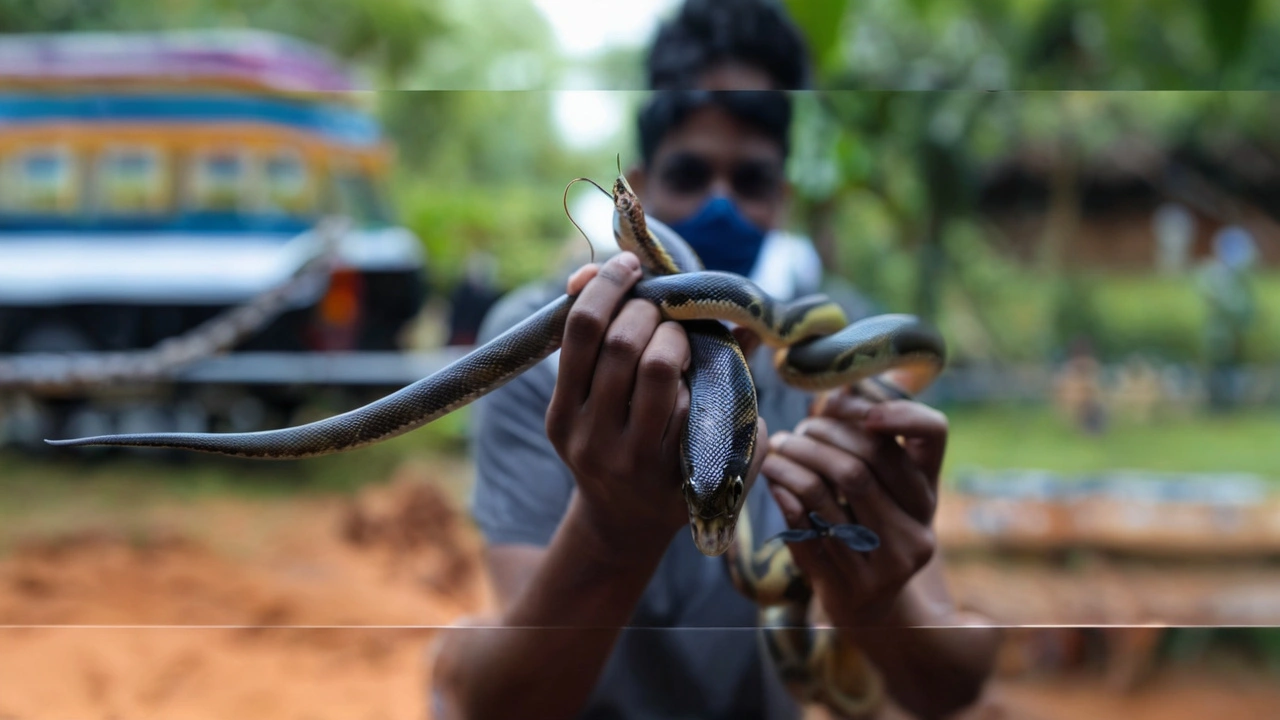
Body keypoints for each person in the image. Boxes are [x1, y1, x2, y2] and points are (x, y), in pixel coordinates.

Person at [429, 2, 1000, 718]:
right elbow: (498, 702)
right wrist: (612, 532)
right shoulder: (550, 343)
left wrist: (877, 601)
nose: (720, 205)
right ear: (641, 182)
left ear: (783, 196)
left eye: (752, 181)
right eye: (692, 174)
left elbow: (952, 682)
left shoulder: (846, 348)